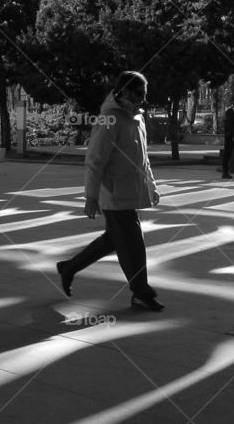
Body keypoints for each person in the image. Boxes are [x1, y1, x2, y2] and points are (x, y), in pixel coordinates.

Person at [56, 71, 164, 311]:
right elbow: (95, 160)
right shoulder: (108, 119)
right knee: (132, 244)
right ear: (123, 91)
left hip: (131, 191)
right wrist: (91, 196)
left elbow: (143, 159)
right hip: (113, 193)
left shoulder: (138, 118)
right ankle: (140, 292)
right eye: (137, 94)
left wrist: (152, 185)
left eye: (144, 96)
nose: (140, 100)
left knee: (114, 240)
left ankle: (69, 268)